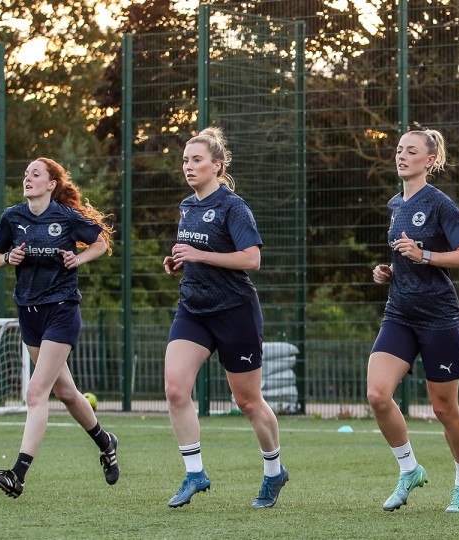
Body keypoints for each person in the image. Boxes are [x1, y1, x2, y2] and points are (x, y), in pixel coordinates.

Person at [161, 126, 288, 509]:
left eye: (197, 160)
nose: (189, 166)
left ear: (217, 166)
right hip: (193, 309)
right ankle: (194, 473)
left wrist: (199, 255)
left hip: (235, 312)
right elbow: (196, 253)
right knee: (175, 389)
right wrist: (180, 262)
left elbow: (252, 259)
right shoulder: (187, 206)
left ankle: (274, 472)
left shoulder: (234, 207)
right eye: (185, 160)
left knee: (248, 402)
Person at [0, 157, 119, 498]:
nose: (27, 178)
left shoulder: (66, 217)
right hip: (28, 312)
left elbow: (101, 242)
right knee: (67, 393)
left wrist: (79, 258)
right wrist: (8, 258)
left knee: (35, 393)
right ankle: (106, 442)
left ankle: (17, 475)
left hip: (61, 310)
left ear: (51, 184)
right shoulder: (12, 217)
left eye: (36, 174)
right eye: (25, 174)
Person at [367, 129, 459, 514]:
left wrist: (423, 255)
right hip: (399, 314)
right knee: (377, 395)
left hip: (439, 317)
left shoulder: (441, 204)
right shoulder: (395, 203)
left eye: (411, 151)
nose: (401, 156)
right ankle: (409, 469)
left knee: (444, 409)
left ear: (429, 161)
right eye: (399, 149)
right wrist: (388, 271)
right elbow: (404, 257)